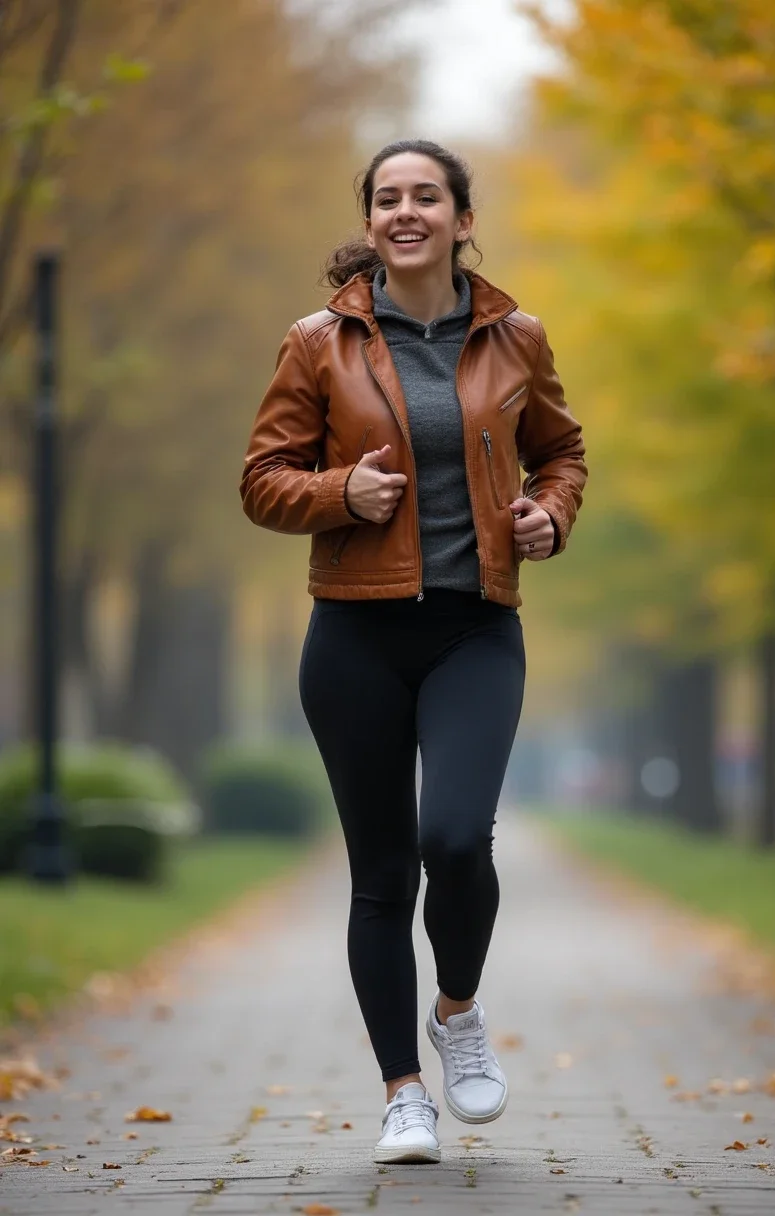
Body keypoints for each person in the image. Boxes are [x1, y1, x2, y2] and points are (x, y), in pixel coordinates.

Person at [240, 139, 587, 1165]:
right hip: (353, 630)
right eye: (387, 197)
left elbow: (560, 451)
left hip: (476, 624)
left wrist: (549, 515)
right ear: (371, 219)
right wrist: (338, 492)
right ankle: (403, 1095)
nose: (406, 211)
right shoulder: (316, 341)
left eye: (425, 196)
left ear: (461, 218)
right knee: (382, 875)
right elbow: (262, 478)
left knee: (454, 838)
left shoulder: (515, 337)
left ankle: (459, 1012)